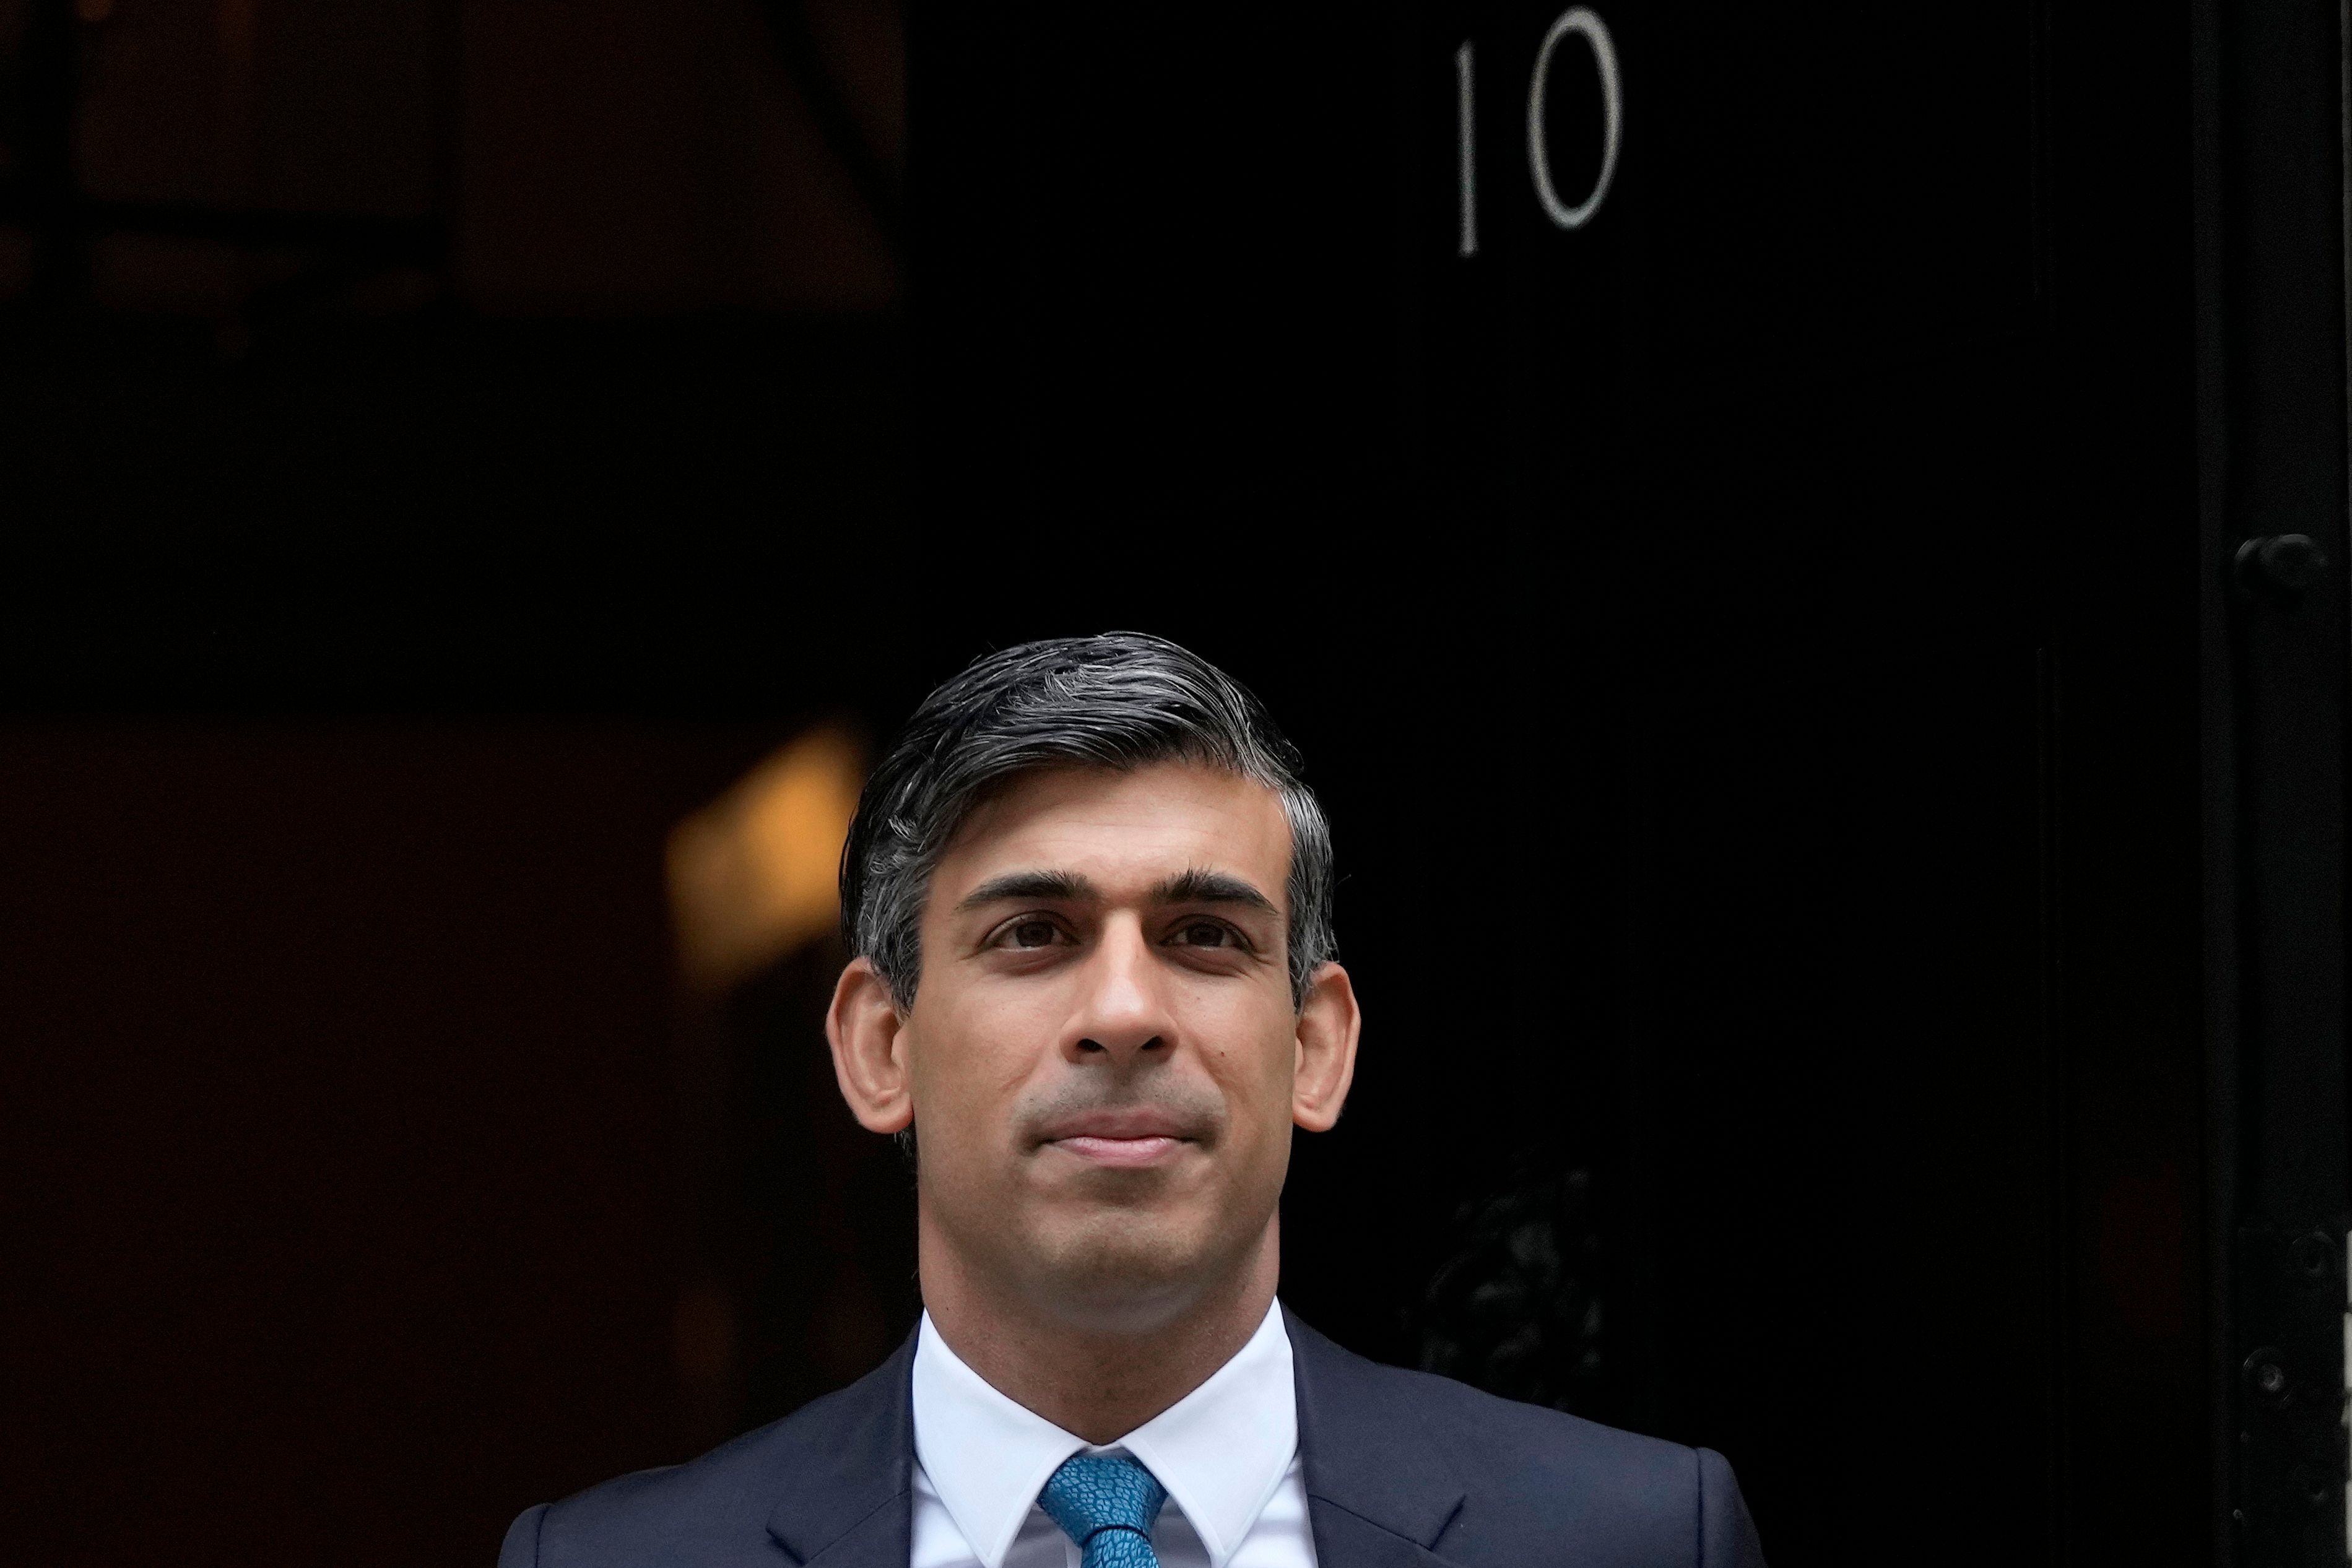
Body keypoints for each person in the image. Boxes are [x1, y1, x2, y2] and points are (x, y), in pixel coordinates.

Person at [499, 633, 1767, 1568]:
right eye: (1034, 932)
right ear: (880, 1046)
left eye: (1204, 935)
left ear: (1316, 1047)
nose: (1122, 1009)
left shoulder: (1637, 1538)